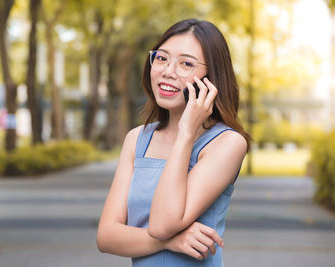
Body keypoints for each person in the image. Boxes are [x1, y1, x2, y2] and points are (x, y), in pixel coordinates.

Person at [97, 18, 250, 267]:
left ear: (211, 79)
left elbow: (163, 224)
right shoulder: (137, 139)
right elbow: (106, 237)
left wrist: (186, 133)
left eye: (186, 64)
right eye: (161, 58)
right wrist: (170, 242)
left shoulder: (227, 143)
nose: (168, 71)